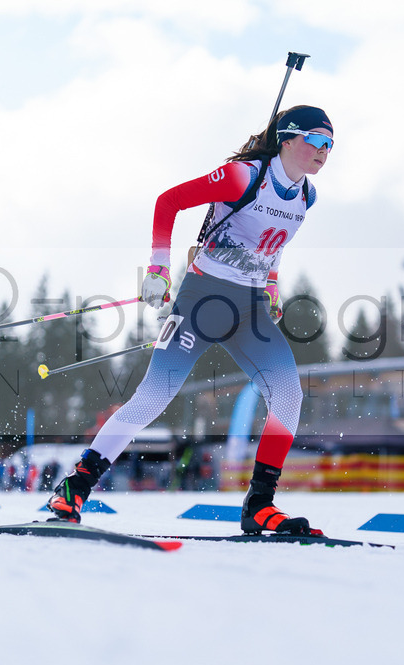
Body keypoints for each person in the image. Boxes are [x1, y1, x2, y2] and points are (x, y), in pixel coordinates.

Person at [47, 105, 334, 536]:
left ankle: (259, 505)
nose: (324, 150)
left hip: (250, 310)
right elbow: (169, 202)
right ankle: (74, 487)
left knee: (289, 396)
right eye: (317, 140)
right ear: (288, 139)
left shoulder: (306, 196)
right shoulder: (243, 177)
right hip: (202, 301)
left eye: (330, 144)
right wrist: (158, 269)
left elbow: (272, 245)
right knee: (152, 399)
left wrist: (272, 283)